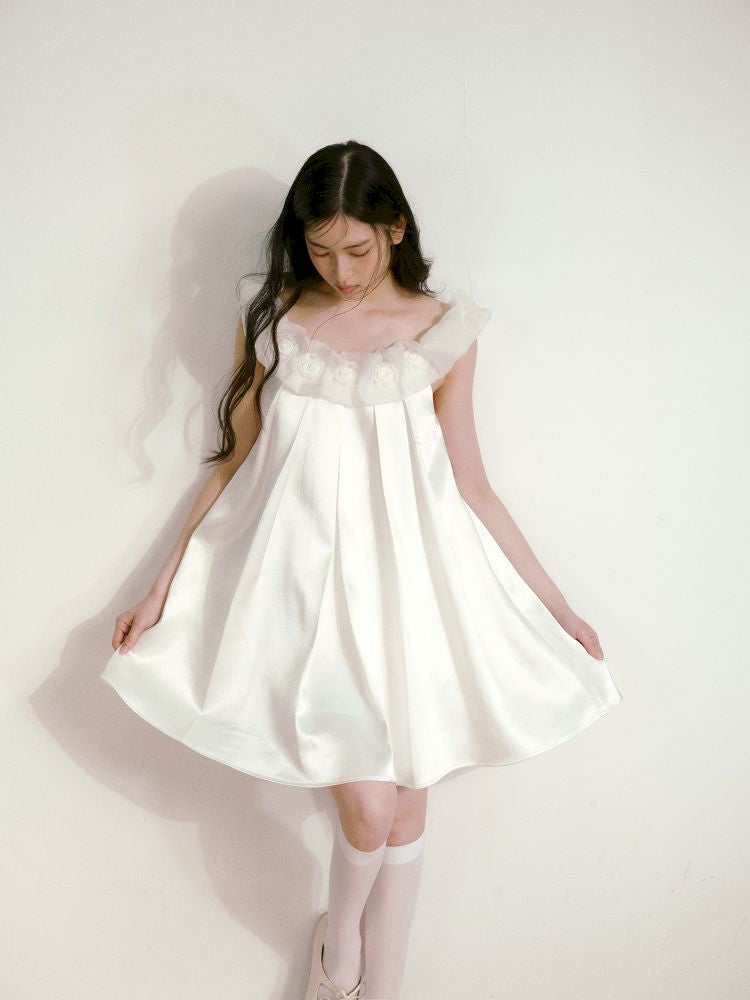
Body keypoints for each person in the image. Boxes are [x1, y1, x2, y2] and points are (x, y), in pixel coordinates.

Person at [101, 139, 623, 1000]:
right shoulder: (274, 321)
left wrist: (558, 609)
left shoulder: (443, 332)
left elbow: (472, 483)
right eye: (319, 251)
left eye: (356, 249)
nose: (340, 272)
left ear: (396, 228)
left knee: (408, 806)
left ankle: (383, 987)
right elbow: (233, 461)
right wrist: (159, 589)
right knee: (372, 806)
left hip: (410, 597)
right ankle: (337, 954)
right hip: (300, 596)